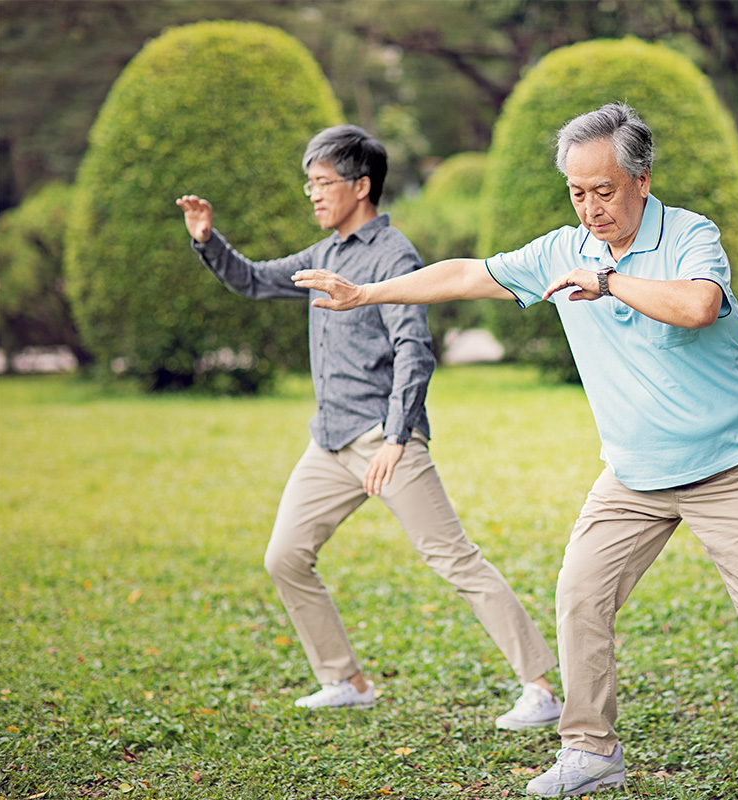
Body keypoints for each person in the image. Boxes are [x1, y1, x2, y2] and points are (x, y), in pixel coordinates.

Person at [293, 104, 738, 797]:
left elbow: (696, 306)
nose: (590, 207)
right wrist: (367, 292)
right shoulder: (560, 249)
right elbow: (462, 276)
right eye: (577, 192)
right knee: (579, 598)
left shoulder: (691, 234)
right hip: (633, 473)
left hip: (732, 465)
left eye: (603, 190)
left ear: (640, 179)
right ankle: (591, 749)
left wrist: (606, 281)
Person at [175, 125, 561, 730]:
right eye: (310, 183)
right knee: (285, 557)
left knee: (455, 559)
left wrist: (397, 435)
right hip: (329, 442)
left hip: (384, 439)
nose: (313, 194)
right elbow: (253, 280)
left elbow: (414, 348)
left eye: (323, 182)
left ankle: (540, 689)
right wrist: (207, 240)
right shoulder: (323, 254)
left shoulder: (393, 257)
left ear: (361, 186)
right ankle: (345, 679)